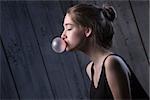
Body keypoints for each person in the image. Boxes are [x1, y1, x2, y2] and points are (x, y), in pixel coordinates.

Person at [60, 3, 149, 100]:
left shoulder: (112, 63)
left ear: (87, 31)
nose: (63, 35)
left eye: (69, 28)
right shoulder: (90, 69)